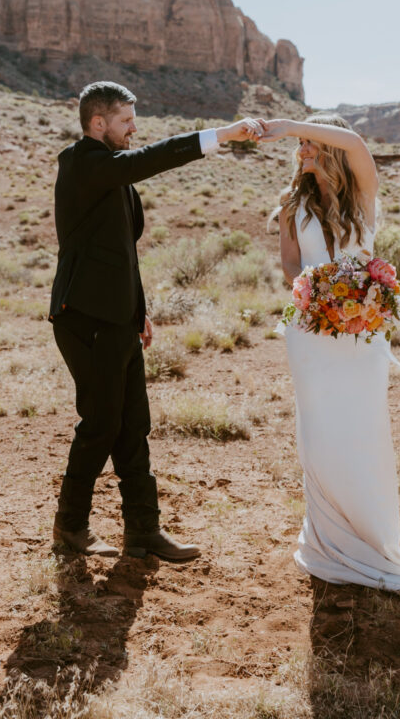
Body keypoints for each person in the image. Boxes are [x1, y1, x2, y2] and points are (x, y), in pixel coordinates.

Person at [261, 113, 400, 603]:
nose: (301, 151)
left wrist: (292, 123)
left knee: (363, 434)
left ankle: (372, 539)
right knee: (319, 435)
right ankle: (327, 540)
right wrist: (313, 297)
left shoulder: (361, 193)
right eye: (300, 144)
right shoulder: (293, 203)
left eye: (310, 143)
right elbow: (291, 265)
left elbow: (356, 142)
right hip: (311, 333)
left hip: (363, 338)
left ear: (328, 148)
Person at [49, 80, 262, 560]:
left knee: (133, 426)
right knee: (101, 423)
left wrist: (138, 312)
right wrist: (221, 135)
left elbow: (124, 253)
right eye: (125, 121)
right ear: (97, 123)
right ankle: (70, 526)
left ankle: (143, 531)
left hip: (118, 318)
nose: (133, 129)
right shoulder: (82, 163)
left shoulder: (112, 175)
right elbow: (149, 159)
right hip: (85, 318)